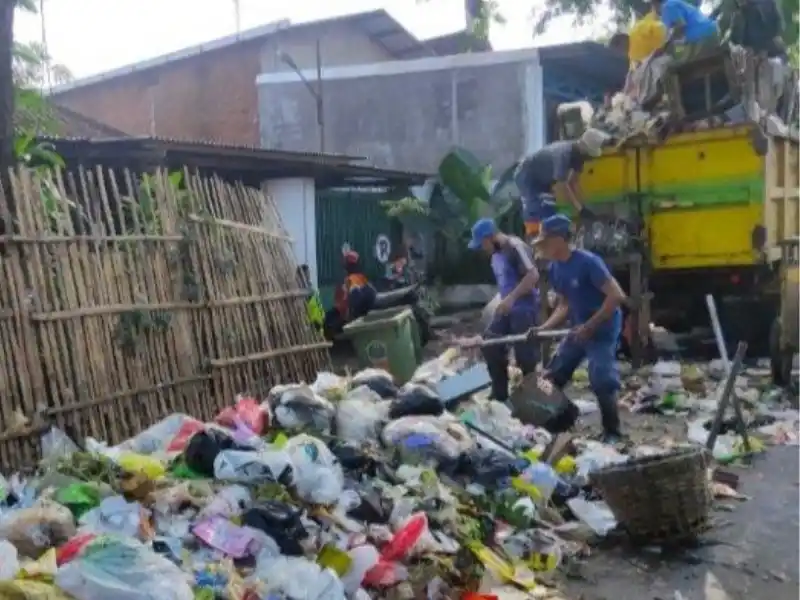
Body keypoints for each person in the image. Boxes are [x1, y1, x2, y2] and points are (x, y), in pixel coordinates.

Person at [533, 214, 627, 443]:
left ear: (560, 239)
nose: (542, 246)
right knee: (552, 375)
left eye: (546, 241)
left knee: (601, 378)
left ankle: (612, 432)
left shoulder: (588, 262)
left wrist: (591, 325)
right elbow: (564, 304)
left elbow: (616, 296)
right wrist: (543, 328)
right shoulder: (556, 268)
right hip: (578, 328)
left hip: (602, 328)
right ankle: (555, 426)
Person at [466, 218, 540, 404]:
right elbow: (505, 284)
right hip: (506, 307)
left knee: (526, 357)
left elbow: (533, 275)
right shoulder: (495, 256)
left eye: (482, 244)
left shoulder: (515, 247)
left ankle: (535, 398)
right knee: (490, 344)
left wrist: (512, 298)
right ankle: (500, 394)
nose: (482, 249)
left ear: (490, 237)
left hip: (524, 307)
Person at [514, 128, 608, 239]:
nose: (589, 157)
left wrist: (584, 207)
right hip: (527, 175)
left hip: (543, 179)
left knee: (548, 211)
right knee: (536, 209)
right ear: (583, 146)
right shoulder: (563, 154)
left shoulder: (579, 156)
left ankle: (550, 239)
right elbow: (563, 187)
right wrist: (577, 209)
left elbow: (574, 182)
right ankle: (534, 241)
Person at [323, 251, 377, 339]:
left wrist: (347, 316)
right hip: (355, 312)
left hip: (352, 315)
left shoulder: (351, 279)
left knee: (328, 323)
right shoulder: (361, 278)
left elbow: (350, 302)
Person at [651, 0, 719, 61]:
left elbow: (681, 26)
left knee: (681, 66)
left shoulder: (668, 6)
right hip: (709, 31)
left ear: (655, 3)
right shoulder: (671, 4)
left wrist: (665, 47)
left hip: (703, 35)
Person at [296, 264, 325, 336]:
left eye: (308, 273)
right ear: (300, 276)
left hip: (318, 321)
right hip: (310, 323)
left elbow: (318, 305)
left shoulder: (311, 288)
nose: (308, 276)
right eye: (306, 274)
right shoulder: (300, 291)